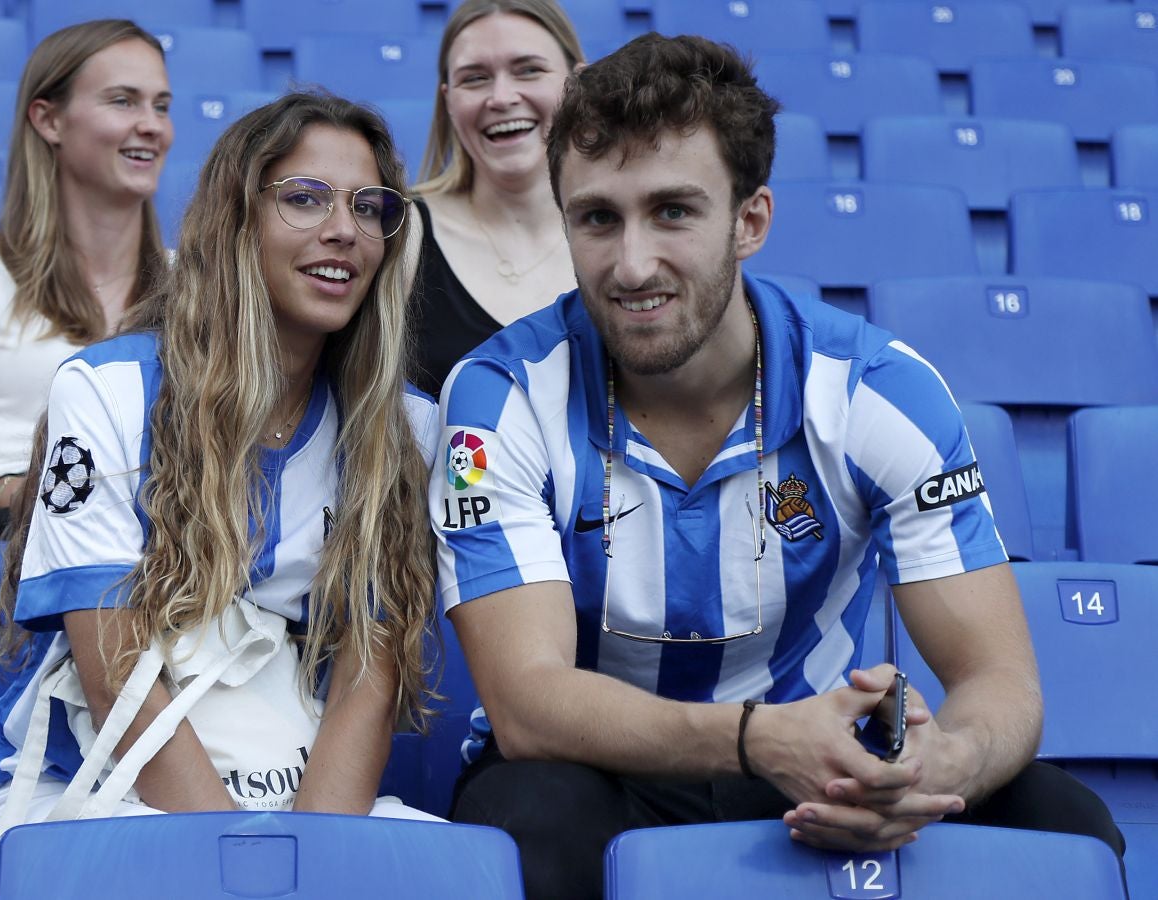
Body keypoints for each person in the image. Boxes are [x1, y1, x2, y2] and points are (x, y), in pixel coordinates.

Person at [432, 33, 1124, 900]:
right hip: (596, 763)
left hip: (811, 750)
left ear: (750, 221)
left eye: (674, 211)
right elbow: (529, 705)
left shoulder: (878, 390)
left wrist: (940, 763)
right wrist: (759, 737)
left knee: (1064, 824)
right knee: (529, 823)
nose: (632, 263)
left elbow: (1000, 682)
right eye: (598, 217)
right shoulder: (501, 398)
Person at [0, 93, 440, 896]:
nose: (344, 230)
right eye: (304, 198)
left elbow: (368, 675)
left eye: (370, 208)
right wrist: (239, 869)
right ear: (234, 220)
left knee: (446, 872)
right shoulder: (108, 391)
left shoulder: (400, 427)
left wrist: (309, 867)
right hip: (102, 790)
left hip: (295, 796)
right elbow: (114, 669)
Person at [0, 19, 172, 541]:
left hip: (161, 557)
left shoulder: (192, 280)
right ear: (49, 121)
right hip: (14, 550)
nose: (153, 125)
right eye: (123, 101)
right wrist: (50, 495)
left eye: (161, 106)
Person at [409, 0, 581, 397]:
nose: (501, 97)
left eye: (529, 70)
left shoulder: (628, 235)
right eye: (475, 78)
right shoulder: (402, 233)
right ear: (449, 101)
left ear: (577, 82)